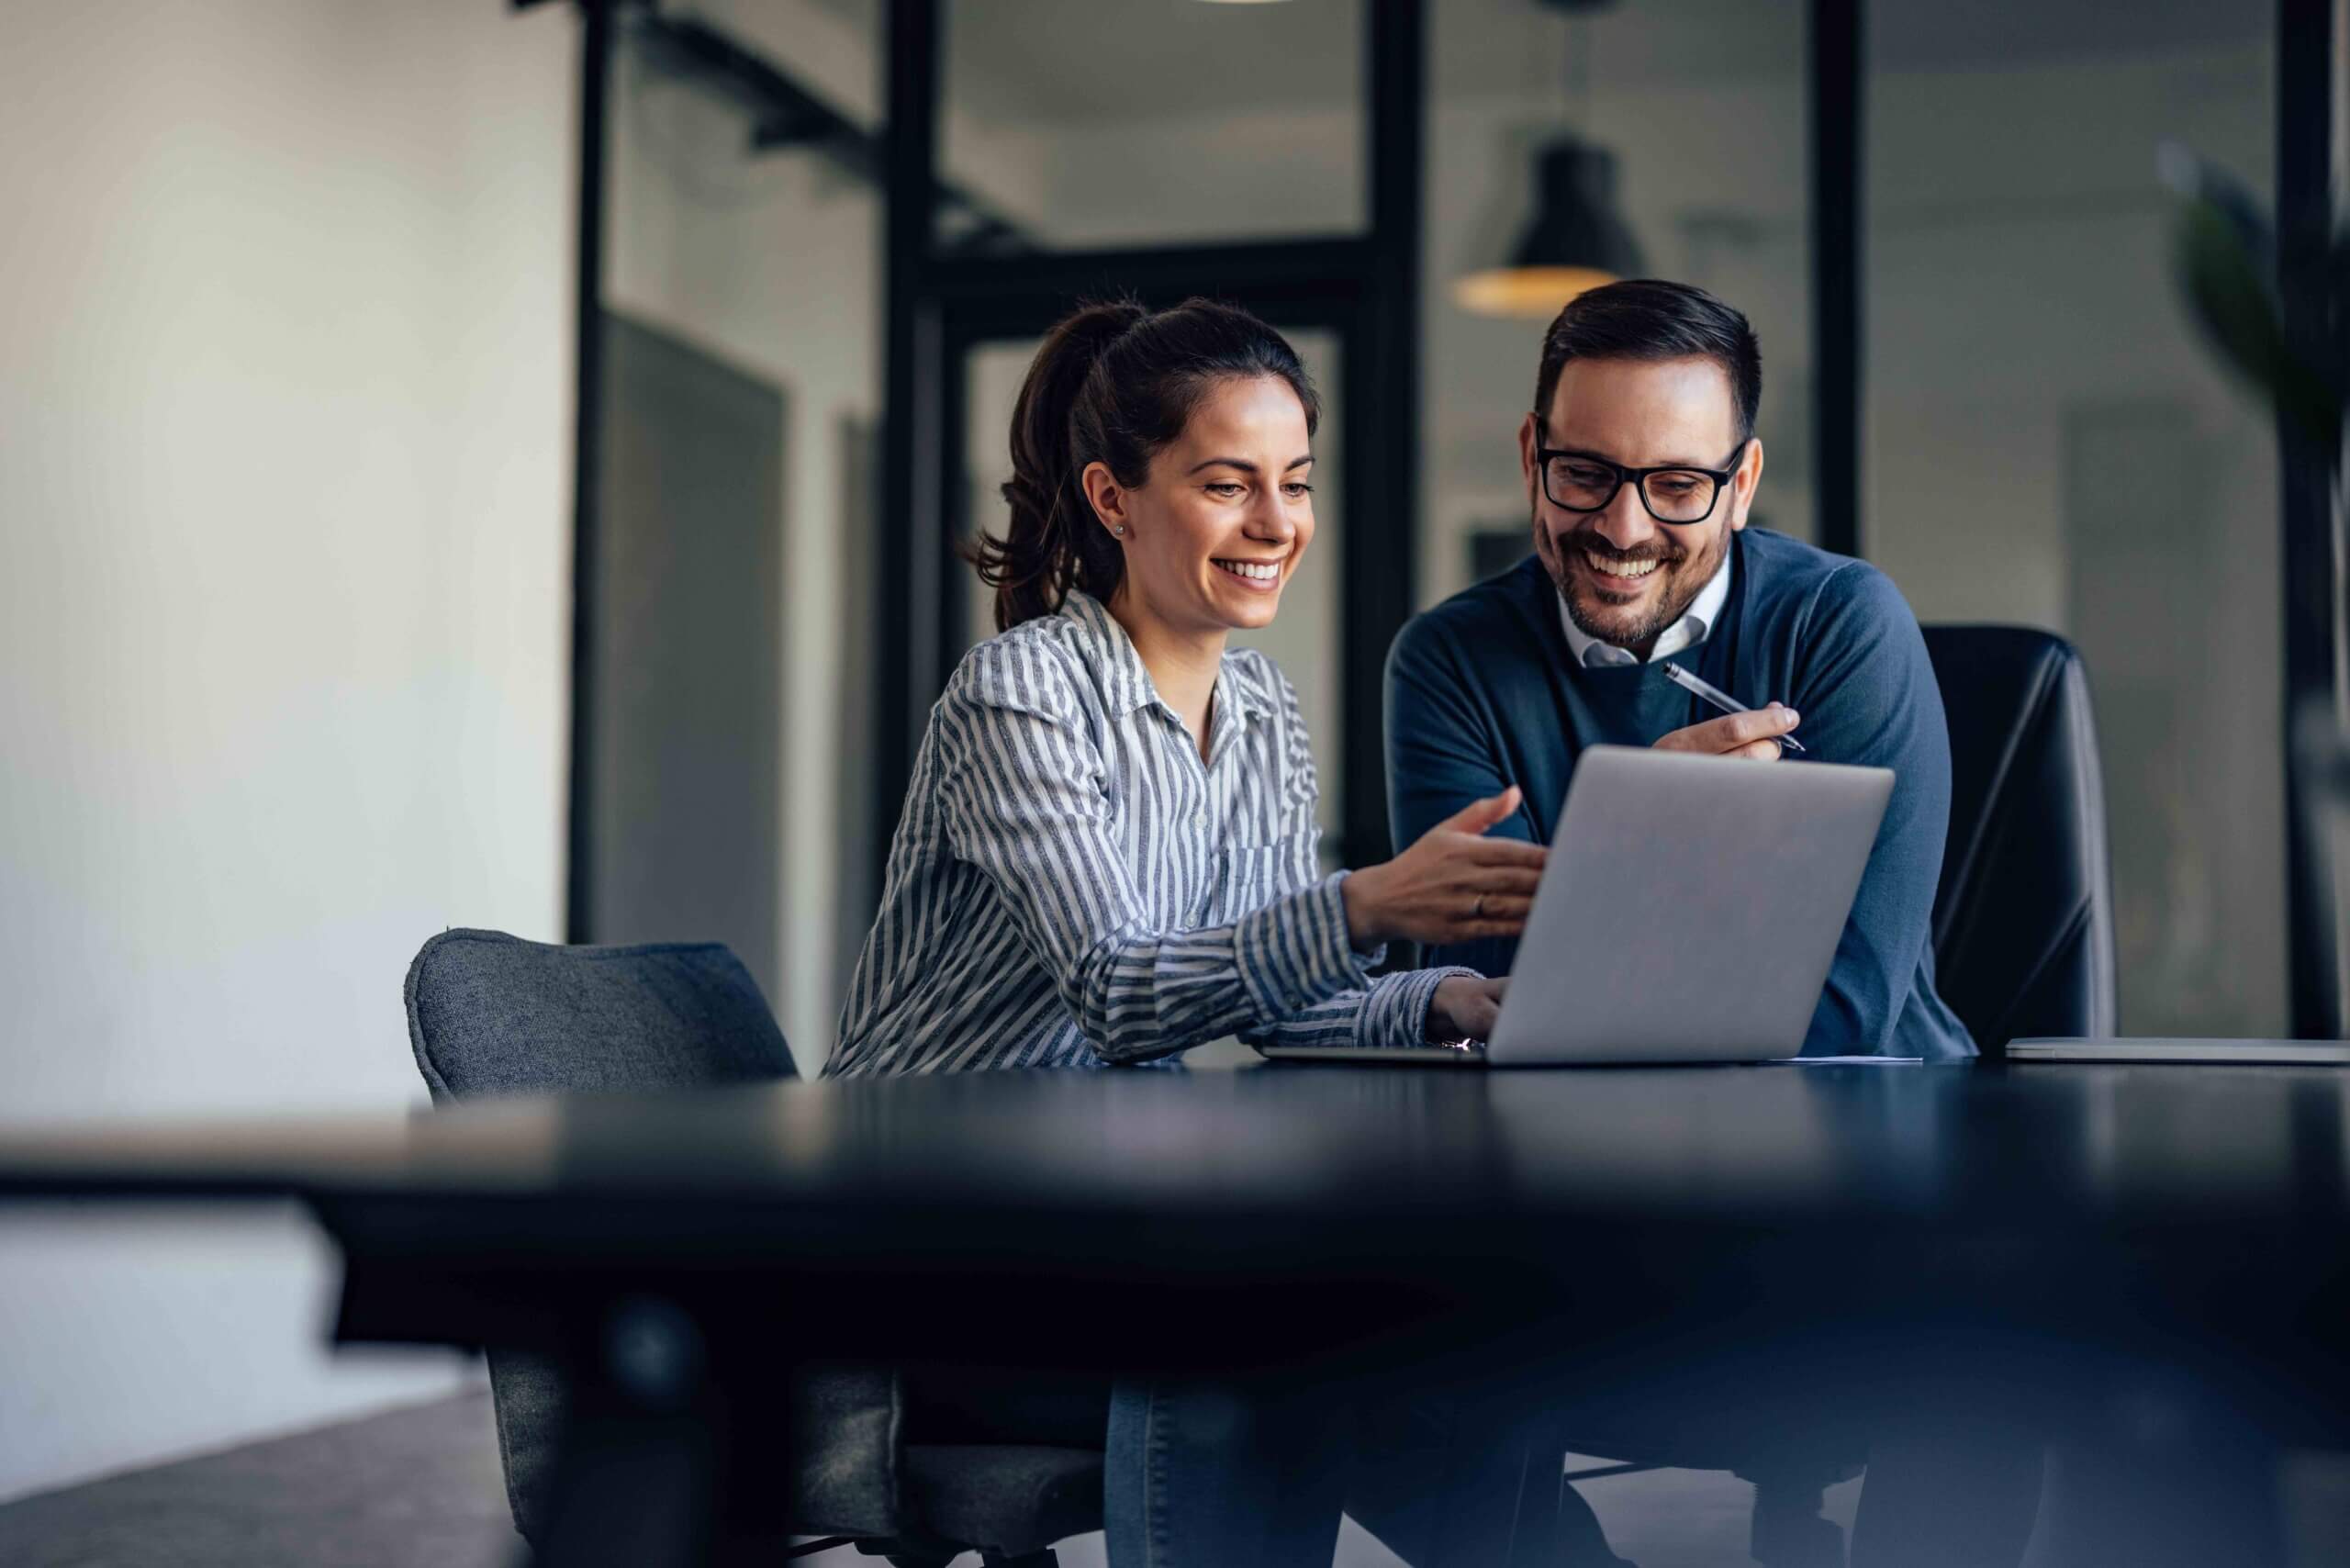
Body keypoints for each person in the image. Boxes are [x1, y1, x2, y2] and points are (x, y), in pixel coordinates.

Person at [824, 296, 1548, 1565]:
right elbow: (1118, 993)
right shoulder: (1020, 693)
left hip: (1106, 1223)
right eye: (1228, 485)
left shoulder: (1264, 713)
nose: (1277, 526)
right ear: (1115, 499)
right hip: (929, 1256)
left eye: (1295, 484)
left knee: (1442, 1372)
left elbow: (1279, 1001)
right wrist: (1369, 901)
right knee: (1272, 1362)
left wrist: (1441, 1007)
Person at [1384, 278, 1974, 1060]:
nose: (1624, 530)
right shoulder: (1447, 662)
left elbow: (1847, 1004)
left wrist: (1601, 913)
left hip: (1865, 1123)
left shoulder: (1844, 624)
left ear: (1742, 487)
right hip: (1567, 1142)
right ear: (1533, 458)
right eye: (1586, 474)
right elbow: (1494, 1000)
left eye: (1677, 485)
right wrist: (1640, 837)